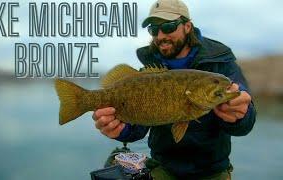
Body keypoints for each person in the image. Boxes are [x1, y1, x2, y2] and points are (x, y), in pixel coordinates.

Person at [92, 0, 256, 179]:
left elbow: (245, 121)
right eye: (154, 30)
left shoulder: (221, 63)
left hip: (212, 171)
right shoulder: (147, 72)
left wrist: (241, 115)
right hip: (163, 168)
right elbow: (137, 128)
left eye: (168, 27)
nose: (161, 35)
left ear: (187, 26)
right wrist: (119, 130)